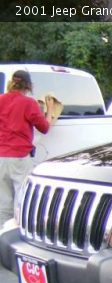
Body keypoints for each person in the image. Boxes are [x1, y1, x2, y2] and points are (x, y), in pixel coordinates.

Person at [0, 70, 58, 225]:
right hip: (19, 156)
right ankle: (18, 233)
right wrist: (50, 109)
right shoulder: (29, 103)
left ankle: (2, 237)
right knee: (21, 197)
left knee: (3, 202)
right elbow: (44, 127)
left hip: (1, 156)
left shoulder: (1, 100)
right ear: (28, 85)